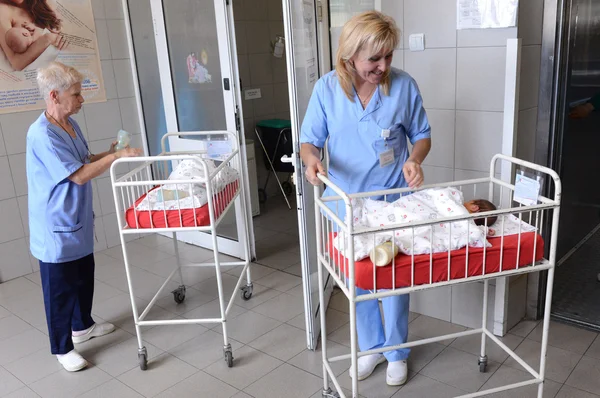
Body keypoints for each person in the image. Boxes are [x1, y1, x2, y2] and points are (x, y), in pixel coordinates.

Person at [300, 10, 431, 386]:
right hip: (346, 202)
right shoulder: (327, 89)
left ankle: (397, 352)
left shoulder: (402, 86)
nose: (383, 65)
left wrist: (414, 159)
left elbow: (422, 134)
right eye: (374, 58)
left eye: (389, 56)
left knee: (393, 279)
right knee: (358, 280)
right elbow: (309, 141)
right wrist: (312, 162)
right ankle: (371, 347)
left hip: (391, 201)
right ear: (350, 56)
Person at [26, 62, 142, 372]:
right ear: (54, 95)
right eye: (76, 94)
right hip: (56, 224)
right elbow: (77, 176)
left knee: (82, 277)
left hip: (76, 221)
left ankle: (82, 327)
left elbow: (84, 159)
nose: (81, 100)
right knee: (60, 289)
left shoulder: (69, 124)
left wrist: (109, 152)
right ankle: (62, 348)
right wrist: (117, 158)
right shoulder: (42, 135)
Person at [0, 0, 66, 71]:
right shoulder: (3, 10)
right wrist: (46, 39)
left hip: (65, 58)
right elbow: (16, 63)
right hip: (46, 70)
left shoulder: (42, 2)